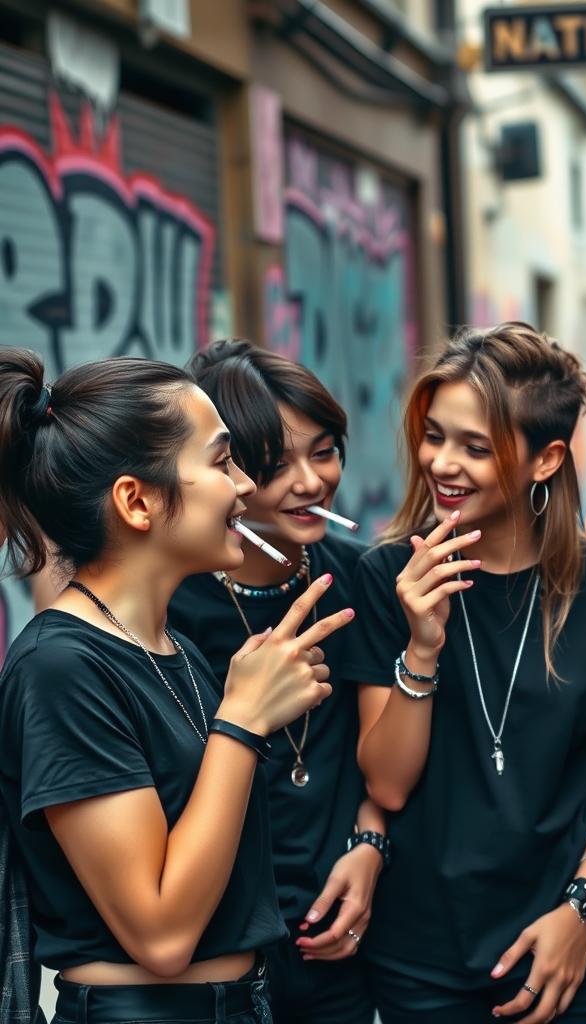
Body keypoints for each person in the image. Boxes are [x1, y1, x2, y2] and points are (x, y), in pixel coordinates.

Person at [0, 349, 350, 1024]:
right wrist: (242, 723)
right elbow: (160, 934)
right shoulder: (62, 668)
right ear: (137, 500)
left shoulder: (173, 648)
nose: (246, 486)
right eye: (222, 462)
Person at [344, 323, 586, 1024]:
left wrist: (585, 905)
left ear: (546, 460)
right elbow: (387, 782)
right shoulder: (388, 576)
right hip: (419, 953)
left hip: (556, 941)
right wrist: (422, 646)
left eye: (476, 447)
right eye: (436, 436)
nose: (442, 463)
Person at [169, 339, 382, 1024]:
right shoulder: (174, 604)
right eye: (273, 464)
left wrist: (371, 843)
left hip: (337, 940)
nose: (311, 482)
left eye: (323, 451)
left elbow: (387, 758)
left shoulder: (361, 578)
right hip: (218, 951)